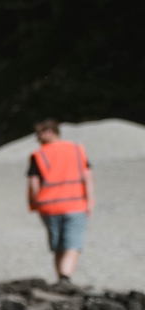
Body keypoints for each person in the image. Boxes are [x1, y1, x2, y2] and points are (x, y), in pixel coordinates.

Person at [28, 119, 93, 283]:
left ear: (49, 132)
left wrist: (34, 202)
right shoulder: (77, 150)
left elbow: (34, 183)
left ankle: (62, 279)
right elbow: (87, 177)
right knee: (72, 244)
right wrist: (90, 200)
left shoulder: (39, 154)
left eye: (39, 134)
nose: (37, 138)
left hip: (48, 206)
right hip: (75, 203)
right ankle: (65, 278)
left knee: (57, 246)